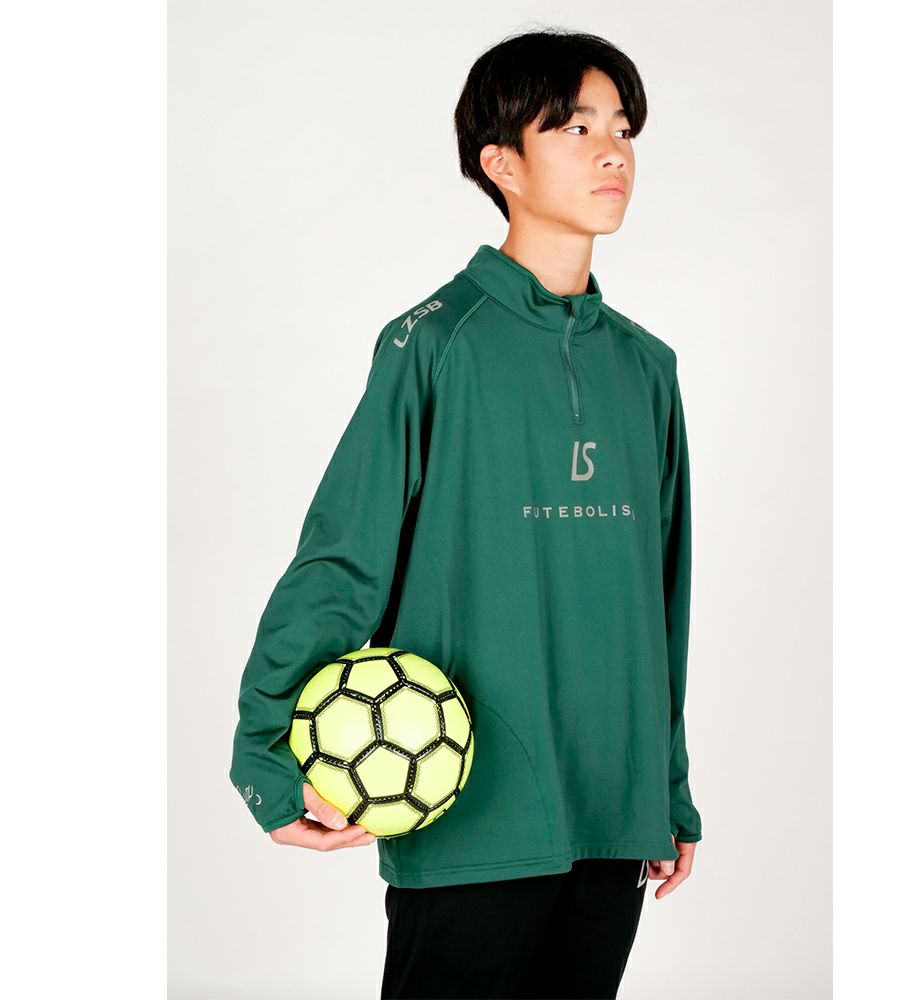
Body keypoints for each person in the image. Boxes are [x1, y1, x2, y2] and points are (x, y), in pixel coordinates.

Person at [229, 26, 703, 1000]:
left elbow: (663, 597)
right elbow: (343, 560)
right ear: (502, 164)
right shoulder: (433, 344)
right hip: (468, 817)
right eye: (575, 128)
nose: (613, 152)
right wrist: (266, 751)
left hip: (612, 818)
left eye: (622, 129)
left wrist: (666, 785)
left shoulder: (646, 368)